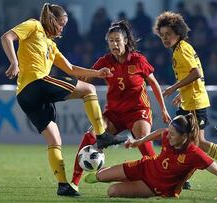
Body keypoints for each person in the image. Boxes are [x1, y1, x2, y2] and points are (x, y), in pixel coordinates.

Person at [0, 3, 125, 197]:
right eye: (61, 23)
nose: (62, 28)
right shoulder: (34, 25)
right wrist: (14, 62)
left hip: (25, 97)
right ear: (51, 20)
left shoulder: (51, 45)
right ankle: (101, 135)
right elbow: (6, 36)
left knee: (54, 139)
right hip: (36, 83)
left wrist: (97, 73)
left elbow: (72, 69)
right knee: (88, 90)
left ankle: (63, 185)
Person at [71, 20, 171, 191]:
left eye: (117, 40)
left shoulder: (138, 60)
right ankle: (73, 183)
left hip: (138, 111)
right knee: (91, 135)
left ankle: (162, 175)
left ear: (125, 41)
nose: (114, 44)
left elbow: (153, 83)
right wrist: (71, 84)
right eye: (111, 41)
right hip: (114, 114)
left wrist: (163, 109)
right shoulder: (105, 61)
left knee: (141, 139)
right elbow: (87, 78)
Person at [153, 11, 217, 188]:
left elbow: (195, 73)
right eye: (162, 35)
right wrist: (182, 93)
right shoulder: (180, 49)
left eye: (169, 35)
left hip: (195, 103)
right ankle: (186, 178)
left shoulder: (181, 50)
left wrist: (174, 88)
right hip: (190, 100)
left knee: (196, 142)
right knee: (185, 140)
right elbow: (194, 74)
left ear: (178, 34)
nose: (165, 38)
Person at [84, 114, 217, 200]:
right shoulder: (168, 135)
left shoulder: (194, 154)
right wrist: (139, 142)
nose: (168, 136)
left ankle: (124, 179)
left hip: (154, 187)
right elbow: (161, 132)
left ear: (184, 136)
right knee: (101, 176)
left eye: (172, 134)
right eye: (169, 132)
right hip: (146, 166)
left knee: (112, 191)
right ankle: (101, 175)